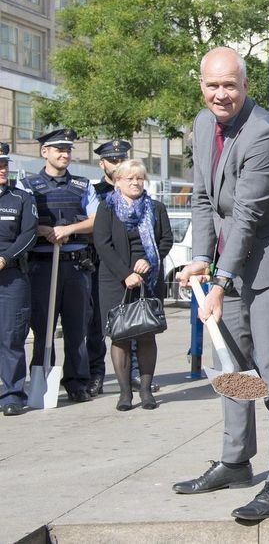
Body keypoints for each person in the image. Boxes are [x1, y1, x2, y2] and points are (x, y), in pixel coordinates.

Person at [171, 46, 269, 522]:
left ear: (246, 86)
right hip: (231, 260)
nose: (221, 94)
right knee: (229, 362)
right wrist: (199, 263)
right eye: (213, 85)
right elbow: (206, 201)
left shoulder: (266, 135)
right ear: (202, 86)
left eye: (230, 84)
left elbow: (248, 215)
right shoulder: (202, 125)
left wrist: (221, 279)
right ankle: (235, 462)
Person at [22, 128, 98, 404]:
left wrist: (68, 229)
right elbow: (23, 222)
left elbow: (95, 219)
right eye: (58, 150)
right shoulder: (28, 186)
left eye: (67, 150)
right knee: (43, 330)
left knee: (77, 328)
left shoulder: (82, 185)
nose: (64, 154)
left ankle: (77, 382)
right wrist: (43, 229)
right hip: (41, 266)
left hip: (76, 267)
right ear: (45, 152)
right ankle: (41, 382)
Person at [92, 159, 173, 411]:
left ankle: (146, 391)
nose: (136, 182)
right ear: (117, 182)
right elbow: (102, 244)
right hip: (115, 280)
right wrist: (126, 273)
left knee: (147, 334)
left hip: (149, 277)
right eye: (130, 178)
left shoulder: (156, 207)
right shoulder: (107, 209)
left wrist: (149, 261)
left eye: (139, 178)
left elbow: (166, 239)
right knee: (121, 336)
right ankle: (125, 393)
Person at [87, 139, 133, 398]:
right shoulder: (94, 191)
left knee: (134, 322)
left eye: (121, 159)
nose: (117, 164)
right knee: (97, 326)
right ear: (101, 163)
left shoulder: (136, 189)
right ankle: (96, 374)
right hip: (98, 264)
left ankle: (133, 373)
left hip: (128, 266)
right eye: (112, 160)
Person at [0, 142, 38, 416]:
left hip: (12, 276)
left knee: (12, 337)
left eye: (4, 164)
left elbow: (29, 234)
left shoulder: (21, 198)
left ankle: (12, 393)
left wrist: (5, 258)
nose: (2, 169)